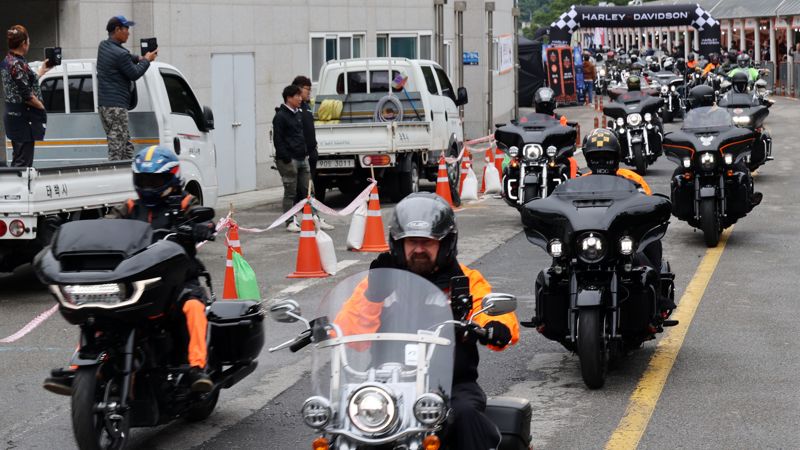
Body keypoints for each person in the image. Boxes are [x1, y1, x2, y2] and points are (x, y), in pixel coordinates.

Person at [335, 192, 520, 450]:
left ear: (445, 244)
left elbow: (495, 313)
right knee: (341, 423)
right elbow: (349, 334)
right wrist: (373, 295)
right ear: (398, 244)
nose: (419, 249)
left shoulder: (466, 281)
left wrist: (494, 327)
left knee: (466, 414)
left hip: (452, 386)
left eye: (427, 242)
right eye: (412, 242)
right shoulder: (380, 283)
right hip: (386, 386)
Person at [43, 145, 216, 395]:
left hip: (177, 279)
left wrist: (202, 227)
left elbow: (204, 220)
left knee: (194, 308)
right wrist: (77, 233)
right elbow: (106, 227)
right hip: (138, 277)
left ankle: (197, 368)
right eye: (143, 179)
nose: (148, 184)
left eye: (154, 179)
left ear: (171, 176)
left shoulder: (186, 203)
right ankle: (80, 368)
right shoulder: (130, 207)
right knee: (97, 312)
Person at [97, 15, 157, 161]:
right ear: (117, 30)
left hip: (105, 106)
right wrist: (147, 60)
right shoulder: (120, 54)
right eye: (126, 29)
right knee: (117, 148)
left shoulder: (104, 46)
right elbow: (134, 73)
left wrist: (139, 58)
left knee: (125, 145)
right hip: (116, 107)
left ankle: (127, 173)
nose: (128, 33)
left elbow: (126, 56)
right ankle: (114, 178)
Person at [1, 25, 50, 167]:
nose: (30, 43)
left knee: (19, 158)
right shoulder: (16, 64)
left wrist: (41, 72)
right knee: (23, 163)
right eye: (28, 40)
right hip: (21, 118)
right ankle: (19, 189)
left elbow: (22, 83)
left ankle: (14, 188)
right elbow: (27, 95)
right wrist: (41, 107)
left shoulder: (9, 60)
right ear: (24, 43)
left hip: (14, 116)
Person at [292, 75, 333, 230]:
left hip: (311, 152)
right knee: (297, 189)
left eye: (310, 89)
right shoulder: (295, 109)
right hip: (300, 155)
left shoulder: (308, 105)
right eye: (306, 89)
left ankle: (314, 217)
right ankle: (292, 218)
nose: (309, 92)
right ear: (297, 89)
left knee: (310, 187)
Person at [273, 85, 310, 232]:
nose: (301, 99)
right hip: (290, 160)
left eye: (301, 96)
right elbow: (278, 140)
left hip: (302, 157)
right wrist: (286, 158)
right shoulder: (280, 116)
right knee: (290, 192)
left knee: (308, 191)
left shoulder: (298, 114)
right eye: (297, 96)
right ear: (289, 98)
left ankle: (312, 218)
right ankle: (290, 221)